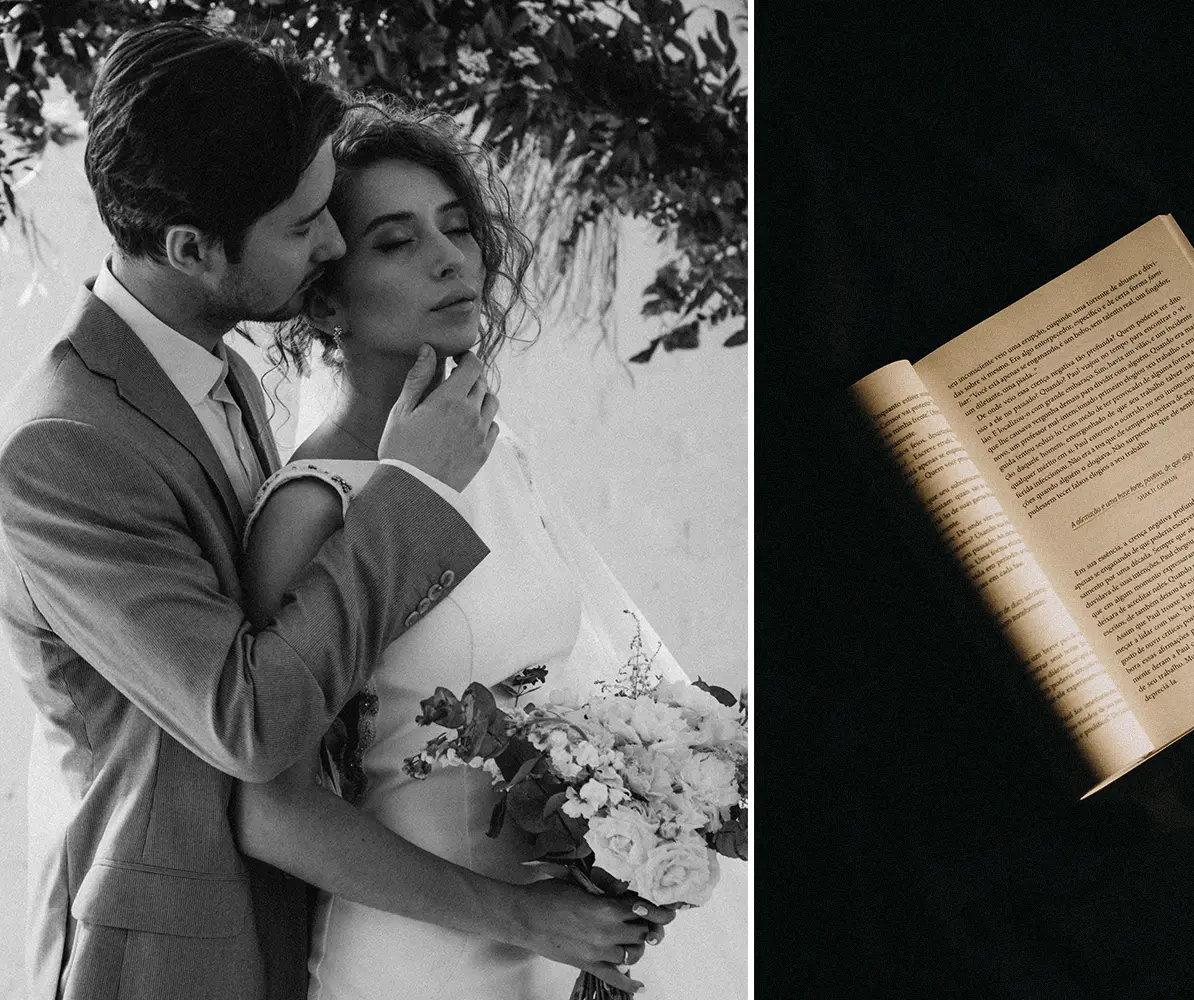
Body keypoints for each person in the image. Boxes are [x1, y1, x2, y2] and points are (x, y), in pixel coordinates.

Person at [0, 21, 654, 1000]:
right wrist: (417, 489)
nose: (334, 241)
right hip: (177, 951)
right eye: (306, 226)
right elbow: (251, 720)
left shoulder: (224, 379)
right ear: (190, 246)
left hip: (334, 917)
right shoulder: (64, 448)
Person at [230, 96, 689, 998]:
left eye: (457, 227)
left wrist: (636, 834)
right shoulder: (311, 505)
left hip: (555, 949)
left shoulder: (494, 453)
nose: (451, 258)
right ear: (325, 296)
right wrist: (525, 916)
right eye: (397, 242)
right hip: (414, 956)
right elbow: (271, 812)